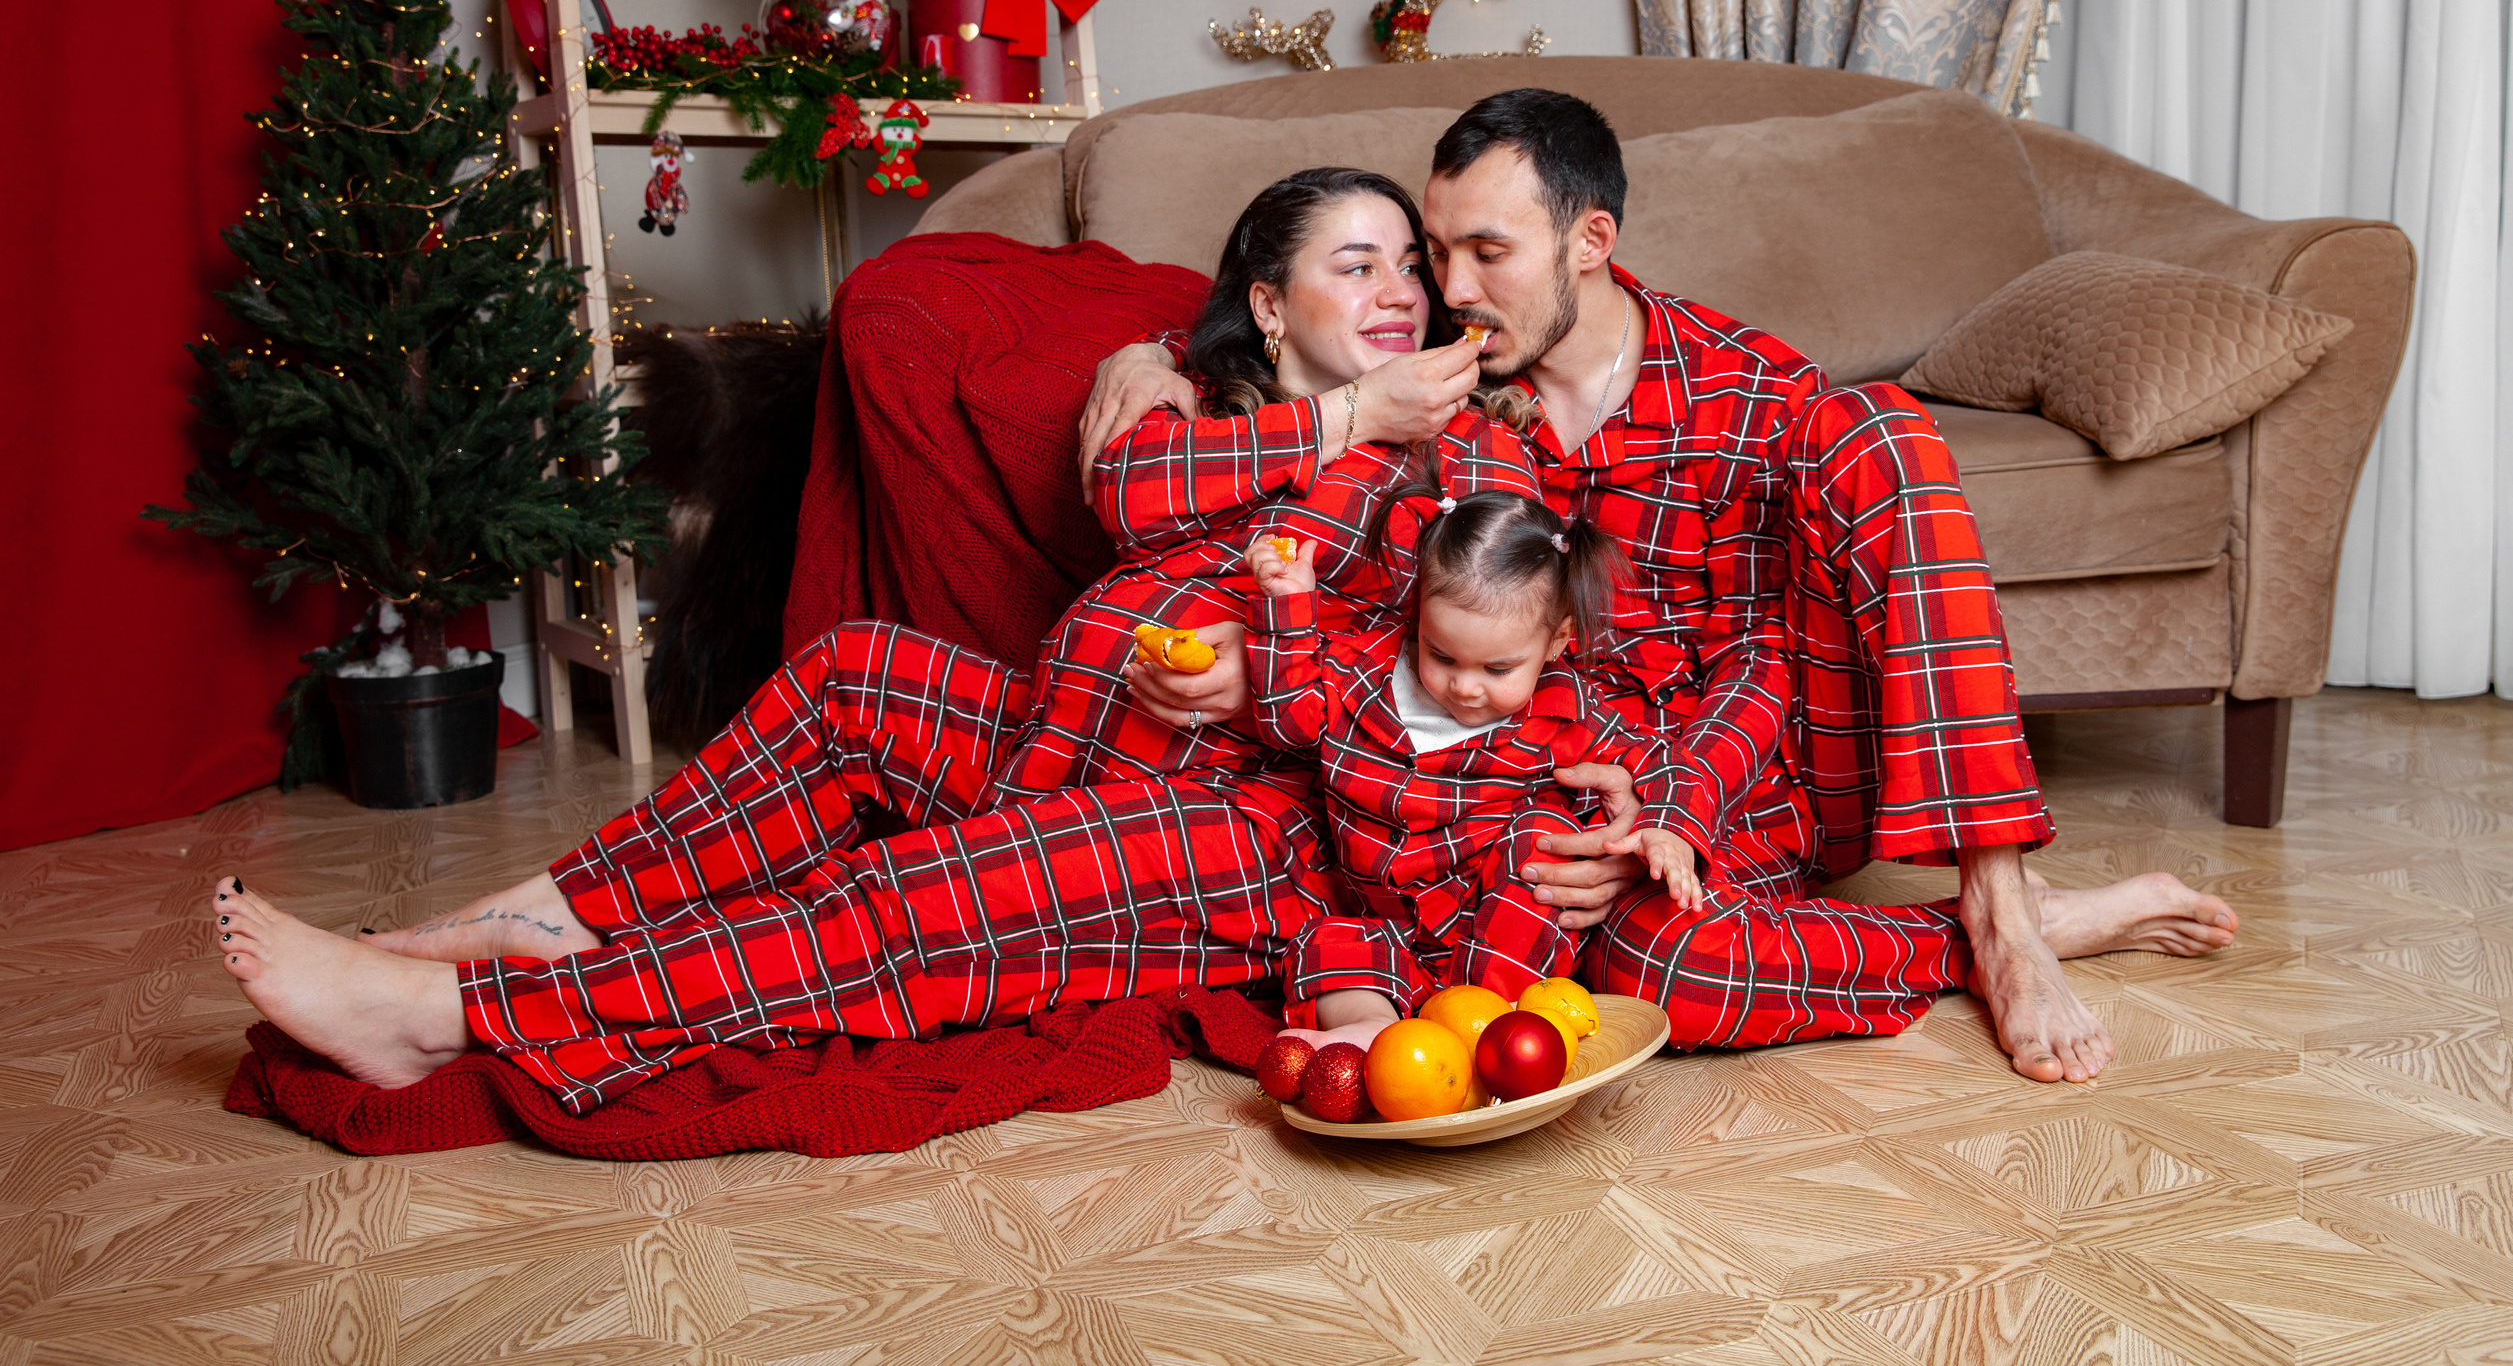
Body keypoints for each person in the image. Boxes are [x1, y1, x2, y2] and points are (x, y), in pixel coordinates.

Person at [209, 168, 1627, 1107]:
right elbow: (1132, 491)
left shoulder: (1447, 471)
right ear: (1270, 306)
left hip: (1242, 823)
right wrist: (1315, 414)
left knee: (898, 902)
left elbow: (1472, 672)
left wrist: (1295, 658)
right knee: (850, 671)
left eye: (1407, 271)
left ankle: (455, 1022)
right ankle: (521, 923)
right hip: (1061, 752)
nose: (1395, 292)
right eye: (1355, 263)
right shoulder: (1206, 415)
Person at [1079, 90, 2241, 1085]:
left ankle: (2002, 900)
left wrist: (1676, 802)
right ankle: (1998, 938)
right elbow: (1292, 338)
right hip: (1554, 793)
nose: (1448, 287)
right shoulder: (1449, 386)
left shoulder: (1746, 393)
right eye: (1436, 252)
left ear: (1588, 241)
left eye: (1488, 252)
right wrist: (1149, 356)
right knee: (1657, 972)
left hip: (1752, 772)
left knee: (1878, 426)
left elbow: (1763, 662)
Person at [1244, 490, 1710, 1049]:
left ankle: (1492, 1030)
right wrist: (1285, 608)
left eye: (1497, 668)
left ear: (1556, 641)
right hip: (1387, 931)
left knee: (1545, 835)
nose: (1465, 687)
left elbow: (1664, 763)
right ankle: (1380, 1039)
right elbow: (1289, 724)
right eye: (1441, 656)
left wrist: (1669, 830)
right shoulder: (1360, 674)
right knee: (1328, 943)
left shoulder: (1564, 712)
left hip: (1498, 938)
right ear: (1419, 613)